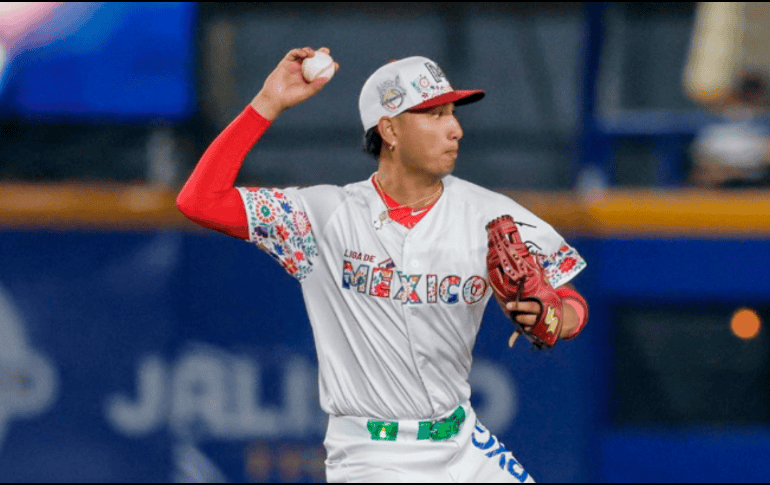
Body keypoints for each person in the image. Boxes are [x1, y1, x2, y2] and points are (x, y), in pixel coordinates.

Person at [177, 46, 589, 483]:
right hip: (371, 453)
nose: (456, 129)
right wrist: (267, 103)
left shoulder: (490, 215)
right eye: (435, 114)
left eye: (453, 112)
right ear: (389, 129)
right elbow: (200, 201)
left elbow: (570, 302)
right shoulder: (323, 216)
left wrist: (555, 316)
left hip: (462, 440)